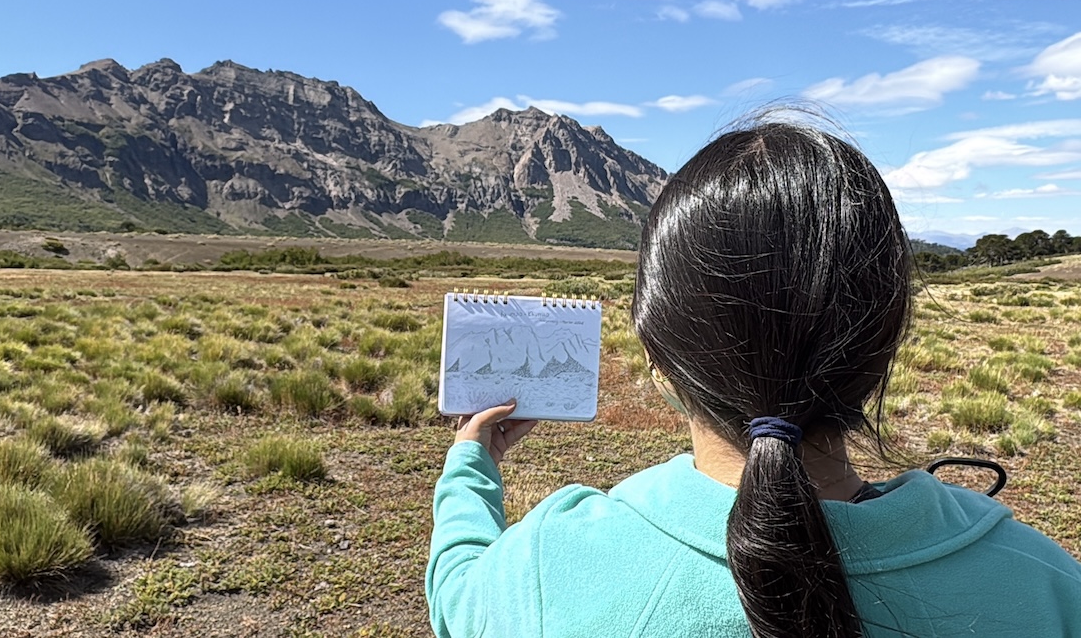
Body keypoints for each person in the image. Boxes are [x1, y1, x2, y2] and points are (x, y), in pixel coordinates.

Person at [425, 117, 1081, 637]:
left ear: (658, 355)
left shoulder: (550, 567)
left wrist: (471, 461)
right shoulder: (1048, 585)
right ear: (884, 344)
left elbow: (460, 593)